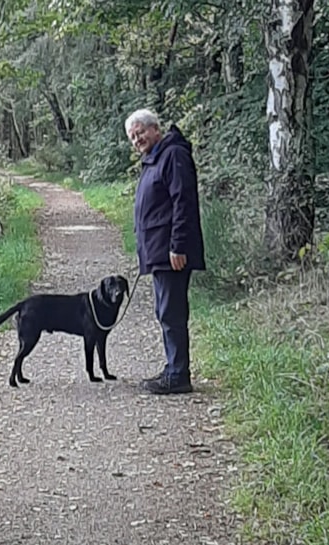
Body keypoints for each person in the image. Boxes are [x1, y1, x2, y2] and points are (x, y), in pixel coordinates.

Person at [124, 108, 205, 395]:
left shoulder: (173, 155)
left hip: (171, 252)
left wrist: (177, 245)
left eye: (141, 132)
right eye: (133, 137)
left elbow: (183, 202)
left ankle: (178, 375)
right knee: (165, 311)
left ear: (155, 129)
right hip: (158, 251)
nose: (137, 140)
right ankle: (173, 368)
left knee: (171, 313)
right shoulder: (155, 158)